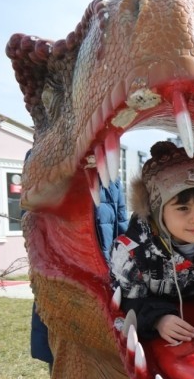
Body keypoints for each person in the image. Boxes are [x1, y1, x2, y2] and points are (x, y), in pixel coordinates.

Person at [110, 140, 194, 343]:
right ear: (158, 213)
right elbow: (128, 299)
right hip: (162, 340)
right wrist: (157, 319)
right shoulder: (131, 253)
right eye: (183, 208)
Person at [30, 157, 129, 368]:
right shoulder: (43, 171)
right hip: (65, 287)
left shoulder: (111, 180)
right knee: (65, 358)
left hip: (105, 282)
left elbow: (122, 231)